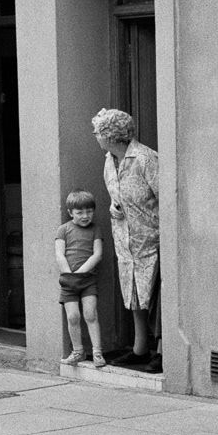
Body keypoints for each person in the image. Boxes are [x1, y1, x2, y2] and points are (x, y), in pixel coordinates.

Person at [92, 108, 161, 373]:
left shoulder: (145, 158)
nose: (97, 137)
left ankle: (161, 352)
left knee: (154, 297)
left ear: (111, 135)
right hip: (125, 239)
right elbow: (117, 194)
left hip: (150, 238)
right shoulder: (110, 161)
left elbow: (164, 197)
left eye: (99, 132)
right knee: (133, 295)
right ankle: (139, 349)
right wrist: (114, 207)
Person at [55, 189, 104, 368]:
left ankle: (97, 352)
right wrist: (69, 274)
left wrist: (81, 272)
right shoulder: (63, 230)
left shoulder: (96, 229)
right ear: (70, 213)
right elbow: (59, 255)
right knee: (73, 317)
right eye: (80, 212)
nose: (85, 216)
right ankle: (78, 351)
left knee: (91, 314)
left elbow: (97, 255)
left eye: (89, 211)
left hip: (87, 280)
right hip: (68, 282)